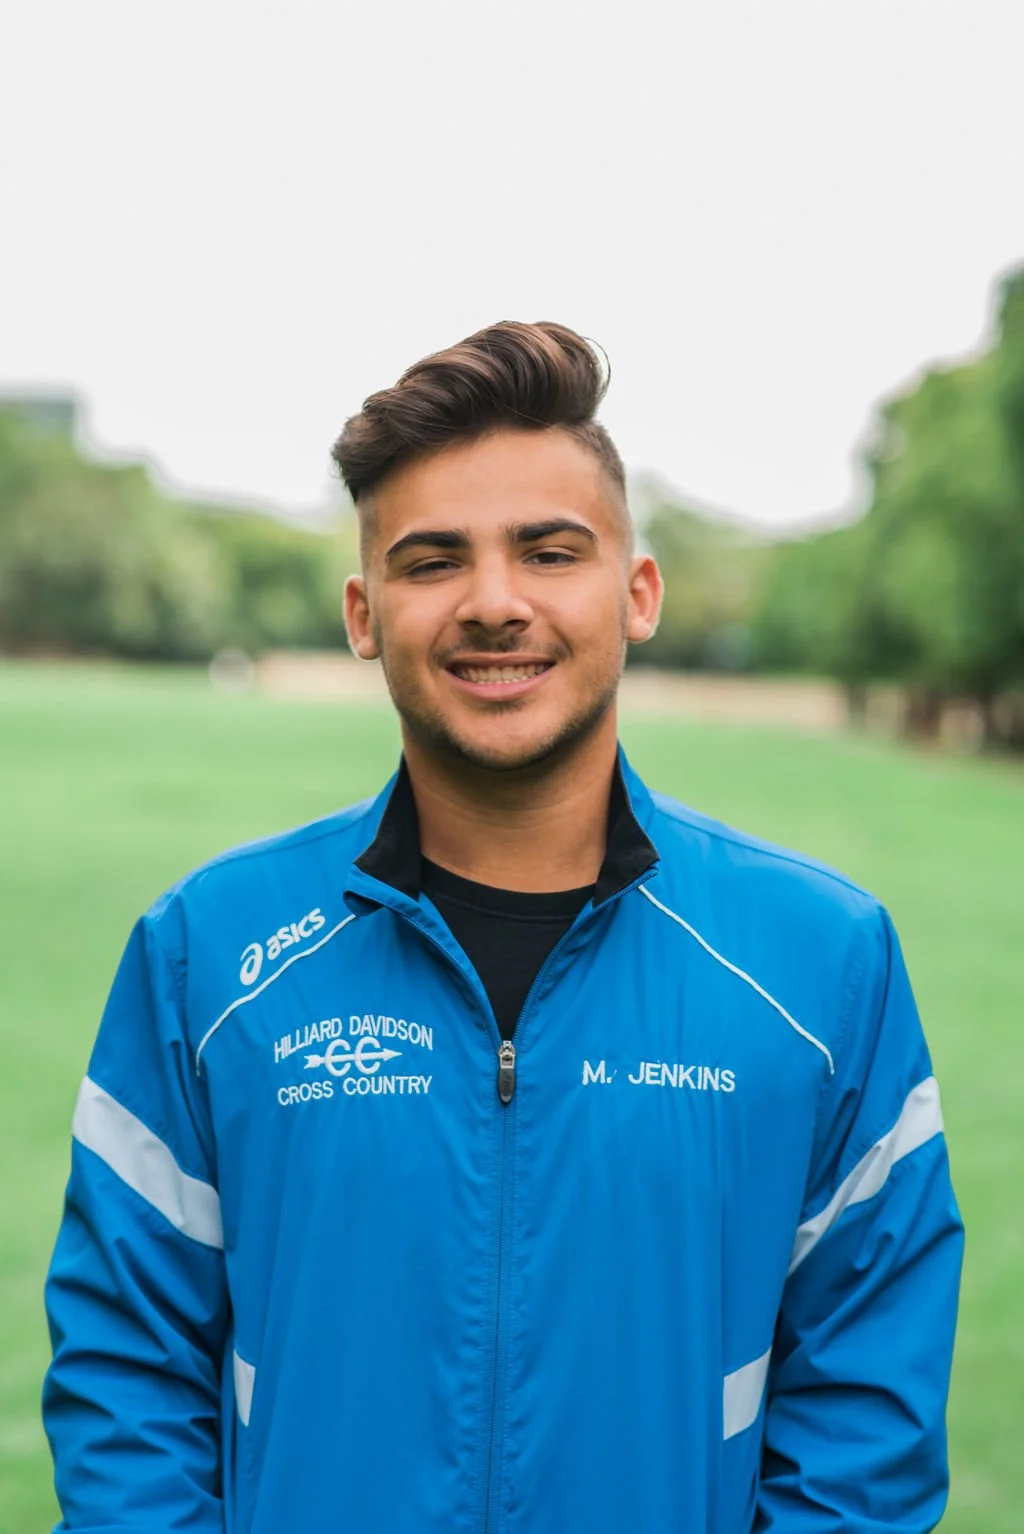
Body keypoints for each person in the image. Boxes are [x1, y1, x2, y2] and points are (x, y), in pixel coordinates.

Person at [43, 321, 963, 1533]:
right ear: (365, 613)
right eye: (431, 562)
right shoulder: (206, 952)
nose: (493, 602)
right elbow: (127, 1379)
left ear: (635, 593)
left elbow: (864, 1422)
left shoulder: (822, 958)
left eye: (548, 550)